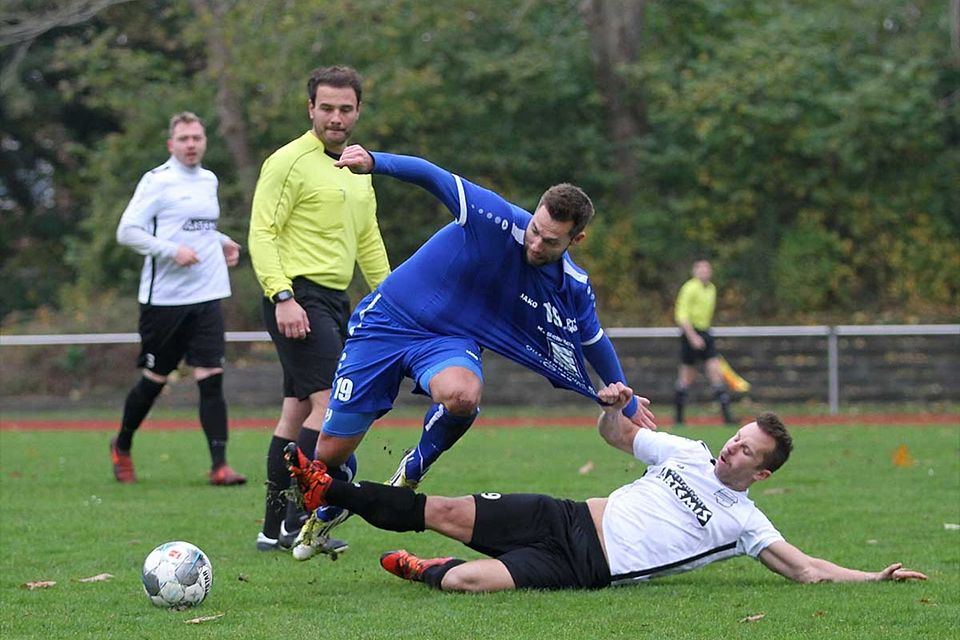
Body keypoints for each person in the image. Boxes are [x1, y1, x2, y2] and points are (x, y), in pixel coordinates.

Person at [289, 144, 657, 561]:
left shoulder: (572, 284)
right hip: (385, 325)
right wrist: (374, 162)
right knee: (329, 455)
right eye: (534, 229)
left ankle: (415, 465)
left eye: (550, 241)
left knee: (463, 395)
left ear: (577, 239)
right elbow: (433, 174)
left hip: (448, 340)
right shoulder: (494, 216)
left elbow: (592, 340)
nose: (535, 243)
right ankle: (337, 498)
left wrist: (624, 397)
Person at [283, 383, 927, 592]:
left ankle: (428, 569)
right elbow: (613, 436)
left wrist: (874, 579)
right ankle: (328, 490)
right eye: (737, 436)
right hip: (564, 514)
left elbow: (808, 570)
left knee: (464, 583)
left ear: (760, 474)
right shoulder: (687, 451)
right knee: (442, 508)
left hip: (584, 565)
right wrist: (614, 403)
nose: (732, 446)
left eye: (746, 452)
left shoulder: (746, 525)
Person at [248, 66, 391, 553]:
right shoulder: (287, 162)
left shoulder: (357, 167)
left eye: (345, 109)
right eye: (326, 108)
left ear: (357, 111)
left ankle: (273, 531)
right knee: (332, 406)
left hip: (335, 301)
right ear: (310, 108)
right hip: (298, 298)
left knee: (295, 413)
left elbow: (368, 240)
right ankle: (298, 520)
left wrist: (393, 299)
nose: (335, 117)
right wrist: (281, 295)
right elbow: (262, 232)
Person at [110, 111, 246, 486]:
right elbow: (127, 232)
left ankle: (219, 466)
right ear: (172, 144)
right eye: (184, 139)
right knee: (155, 378)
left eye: (197, 138)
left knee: (211, 377)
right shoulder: (157, 181)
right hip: (165, 301)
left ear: (205, 142)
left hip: (208, 294)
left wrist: (222, 242)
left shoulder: (209, 180)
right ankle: (121, 444)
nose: (191, 145)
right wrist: (171, 251)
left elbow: (200, 227)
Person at [674, 259, 734, 425]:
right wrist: (693, 336)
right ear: (695, 271)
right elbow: (681, 315)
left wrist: (703, 335)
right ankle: (679, 418)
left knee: (716, 371)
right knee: (687, 376)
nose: (704, 272)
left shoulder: (711, 288)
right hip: (691, 333)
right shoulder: (689, 288)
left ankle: (727, 416)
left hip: (705, 332)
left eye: (707, 269)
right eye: (701, 269)